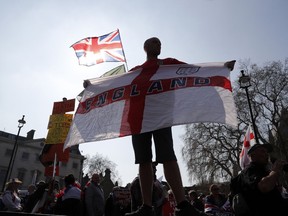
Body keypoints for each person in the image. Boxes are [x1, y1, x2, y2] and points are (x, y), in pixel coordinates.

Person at [125, 37, 209, 216]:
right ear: (145, 47)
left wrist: (221, 68)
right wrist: (92, 86)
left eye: (160, 43)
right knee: (144, 160)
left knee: (168, 157)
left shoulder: (169, 64)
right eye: (155, 42)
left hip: (161, 116)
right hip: (139, 118)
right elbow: (114, 84)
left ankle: (182, 204)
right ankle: (146, 207)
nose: (159, 44)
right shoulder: (135, 71)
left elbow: (193, 71)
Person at [230, 143, 288, 216]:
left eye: (267, 152)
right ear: (253, 155)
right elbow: (264, 186)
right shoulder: (249, 171)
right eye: (263, 151)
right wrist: (275, 170)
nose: (267, 154)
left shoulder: (265, 170)